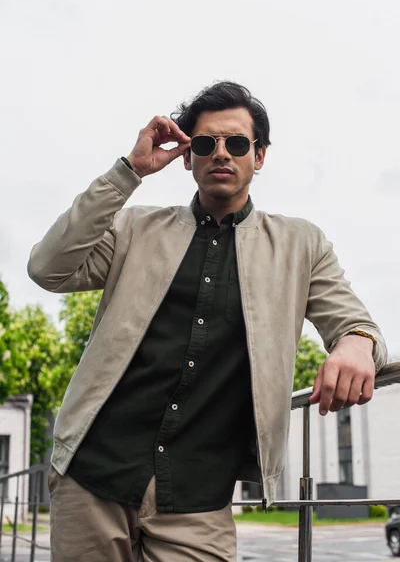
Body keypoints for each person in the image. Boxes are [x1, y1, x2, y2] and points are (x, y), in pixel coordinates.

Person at [28, 81, 387, 562]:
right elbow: (47, 268)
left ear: (258, 156)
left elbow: (353, 322)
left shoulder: (301, 245)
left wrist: (357, 343)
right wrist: (129, 170)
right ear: (186, 156)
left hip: (199, 498)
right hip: (93, 476)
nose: (221, 153)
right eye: (205, 143)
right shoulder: (135, 229)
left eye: (237, 143)